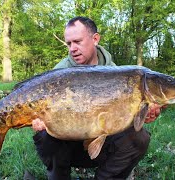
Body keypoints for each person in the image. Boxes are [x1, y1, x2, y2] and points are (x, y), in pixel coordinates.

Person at [26, 16, 163, 180]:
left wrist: (144, 112)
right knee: (44, 135)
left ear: (95, 39)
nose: (72, 49)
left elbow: (127, 118)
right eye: (69, 44)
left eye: (77, 41)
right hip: (68, 146)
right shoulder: (60, 73)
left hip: (103, 146)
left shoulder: (116, 72)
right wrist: (40, 122)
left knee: (139, 138)